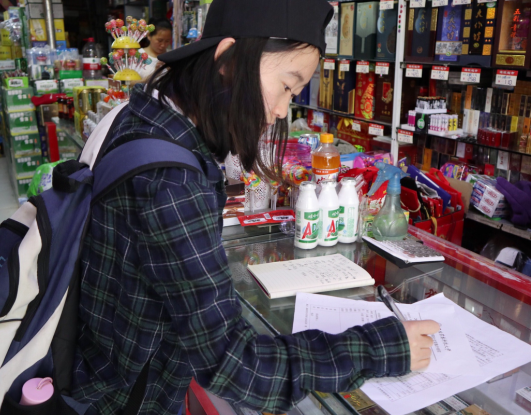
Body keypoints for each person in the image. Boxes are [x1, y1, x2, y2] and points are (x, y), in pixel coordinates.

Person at [71, 0, 440, 414]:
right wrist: (382, 348)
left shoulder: (144, 114)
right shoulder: (171, 179)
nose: (282, 110)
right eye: (286, 86)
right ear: (228, 59)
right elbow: (236, 365)